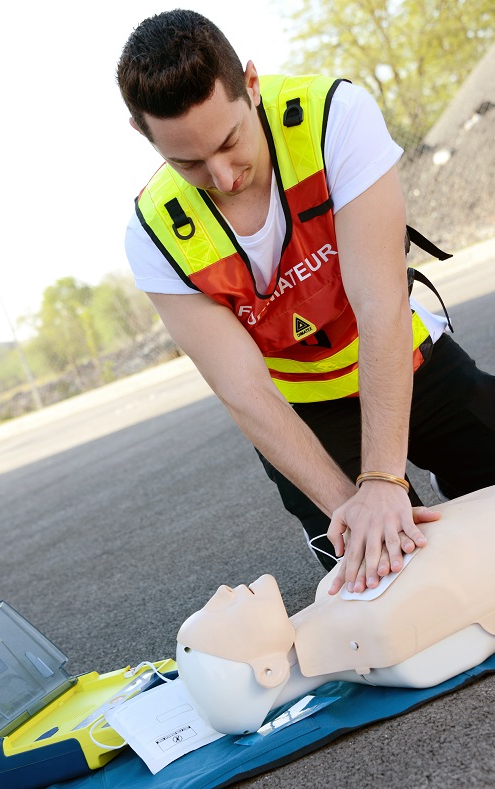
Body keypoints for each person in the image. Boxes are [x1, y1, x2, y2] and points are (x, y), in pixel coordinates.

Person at [116, 9, 495, 595]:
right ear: (144, 134)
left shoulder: (333, 117)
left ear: (251, 82)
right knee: (389, 585)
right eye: (187, 163)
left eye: (229, 141)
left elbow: (383, 307)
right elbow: (245, 392)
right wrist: (358, 506)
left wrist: (383, 479)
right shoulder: (153, 234)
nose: (221, 175)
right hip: (305, 414)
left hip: (402, 359)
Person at [176, 486, 495, 734]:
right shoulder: (391, 651)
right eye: (218, 619)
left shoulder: (330, 593)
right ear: (268, 672)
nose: (220, 592)